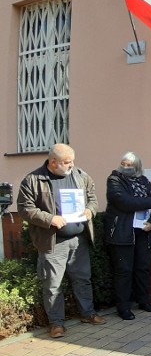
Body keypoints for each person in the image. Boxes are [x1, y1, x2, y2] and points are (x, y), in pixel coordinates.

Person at [17, 144, 105, 338]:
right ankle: (56, 323)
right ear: (53, 162)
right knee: (52, 284)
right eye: (67, 162)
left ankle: (88, 313)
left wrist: (90, 210)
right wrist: (50, 219)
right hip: (53, 242)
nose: (71, 165)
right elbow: (25, 208)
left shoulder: (80, 175)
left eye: (73, 161)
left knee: (82, 279)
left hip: (78, 239)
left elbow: (92, 198)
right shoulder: (33, 180)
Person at [104, 152, 151, 320]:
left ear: (137, 167)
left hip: (143, 232)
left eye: (130, 165)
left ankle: (143, 301)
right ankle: (123, 307)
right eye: (124, 163)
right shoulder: (114, 180)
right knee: (124, 271)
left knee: (143, 268)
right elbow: (125, 202)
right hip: (122, 232)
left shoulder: (143, 181)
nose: (126, 167)